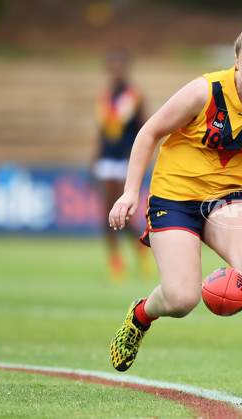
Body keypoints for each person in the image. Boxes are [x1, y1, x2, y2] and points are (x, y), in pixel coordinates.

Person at [107, 11, 242, 399]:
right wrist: (130, 192)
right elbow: (149, 132)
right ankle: (142, 313)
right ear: (236, 63)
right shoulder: (205, 91)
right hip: (175, 195)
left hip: (230, 197)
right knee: (180, 300)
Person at [93, 47, 151, 280]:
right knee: (105, 215)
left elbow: (144, 128)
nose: (115, 71)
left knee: (121, 215)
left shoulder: (134, 96)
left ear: (125, 69)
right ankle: (116, 261)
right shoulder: (105, 97)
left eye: (119, 67)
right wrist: (94, 157)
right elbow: (102, 131)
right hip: (106, 158)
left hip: (125, 160)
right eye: (112, 67)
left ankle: (139, 252)